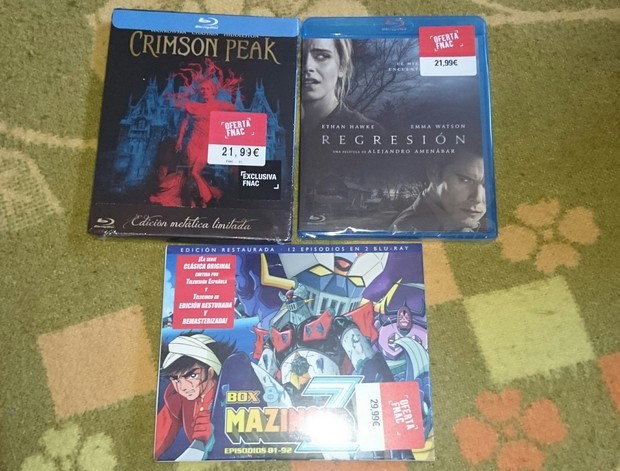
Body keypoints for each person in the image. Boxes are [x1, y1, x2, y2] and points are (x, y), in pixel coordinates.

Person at [155, 334, 234, 461]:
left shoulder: (230, 392)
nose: (183, 387)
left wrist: (219, 432)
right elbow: (157, 439)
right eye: (176, 379)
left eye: (192, 376)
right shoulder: (178, 397)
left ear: (210, 373)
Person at [391, 152, 487, 232]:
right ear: (434, 173)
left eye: (487, 185)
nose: (478, 198)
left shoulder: (483, 225)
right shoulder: (406, 229)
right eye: (464, 180)